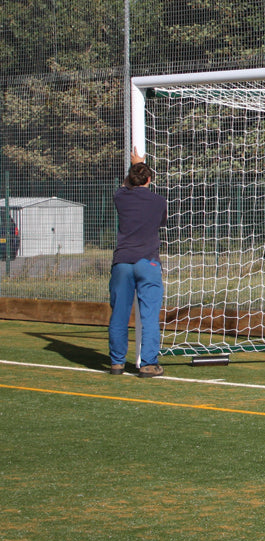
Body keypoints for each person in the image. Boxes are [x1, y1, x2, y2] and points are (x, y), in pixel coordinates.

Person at [108, 147, 168, 377]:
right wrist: (140, 165)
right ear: (150, 179)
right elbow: (160, 223)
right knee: (149, 315)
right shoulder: (159, 201)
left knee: (119, 315)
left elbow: (125, 186)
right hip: (148, 262)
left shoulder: (120, 196)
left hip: (122, 262)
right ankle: (148, 364)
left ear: (130, 178)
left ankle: (117, 363)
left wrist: (135, 164)